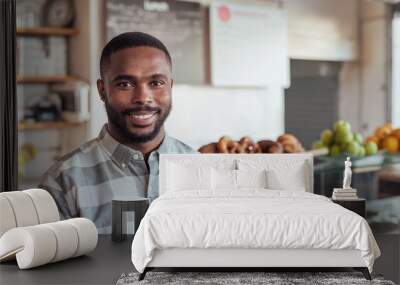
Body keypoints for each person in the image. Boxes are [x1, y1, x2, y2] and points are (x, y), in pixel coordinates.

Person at [39, 32, 196, 233]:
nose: (143, 98)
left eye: (156, 83)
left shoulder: (202, 169)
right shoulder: (63, 182)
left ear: (170, 87)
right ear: (102, 90)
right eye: (125, 84)